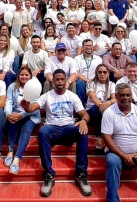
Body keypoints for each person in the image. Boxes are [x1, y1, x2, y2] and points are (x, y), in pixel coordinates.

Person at [21, 69, 92, 197]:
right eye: (57, 79)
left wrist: (84, 121)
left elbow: (84, 113)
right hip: (52, 130)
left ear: (66, 81)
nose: (60, 82)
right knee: (43, 131)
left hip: (69, 128)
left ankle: (81, 174)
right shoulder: (47, 95)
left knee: (83, 131)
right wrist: (26, 105)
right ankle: (49, 174)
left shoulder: (72, 96)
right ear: (53, 81)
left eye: (62, 79)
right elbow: (31, 108)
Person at [4, 66, 40, 174]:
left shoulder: (35, 87)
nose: (24, 77)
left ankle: (17, 158)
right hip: (15, 113)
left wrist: (21, 115)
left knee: (26, 129)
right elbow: (9, 102)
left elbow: (35, 105)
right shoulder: (12, 86)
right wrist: (9, 114)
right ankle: (10, 150)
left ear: (30, 76)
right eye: (22, 74)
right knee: (12, 123)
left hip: (31, 115)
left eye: (26, 75)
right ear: (18, 76)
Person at [85, 64, 116, 149]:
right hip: (92, 111)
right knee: (98, 109)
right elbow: (92, 97)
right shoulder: (91, 83)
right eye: (100, 72)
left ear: (108, 73)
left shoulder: (112, 84)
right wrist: (102, 106)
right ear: (97, 73)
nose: (102, 74)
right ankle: (99, 137)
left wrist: (108, 103)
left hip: (105, 111)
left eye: (104, 72)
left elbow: (114, 99)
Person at [75, 39, 102, 106]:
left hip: (94, 81)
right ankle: (81, 106)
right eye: (86, 45)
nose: (89, 47)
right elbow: (77, 73)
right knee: (79, 82)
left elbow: (100, 72)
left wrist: (92, 80)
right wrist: (87, 80)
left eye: (90, 45)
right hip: (83, 81)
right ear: (83, 47)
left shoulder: (98, 59)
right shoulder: (77, 58)